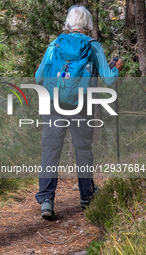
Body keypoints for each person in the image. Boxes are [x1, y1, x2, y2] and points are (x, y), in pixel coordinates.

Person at [34, 5, 123, 220]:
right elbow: (108, 79)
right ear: (88, 25)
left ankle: (46, 200)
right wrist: (116, 67)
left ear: (68, 23)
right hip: (81, 106)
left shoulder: (55, 44)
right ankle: (86, 197)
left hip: (53, 104)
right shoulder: (93, 47)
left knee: (50, 151)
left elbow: (38, 78)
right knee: (83, 150)